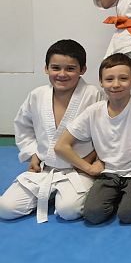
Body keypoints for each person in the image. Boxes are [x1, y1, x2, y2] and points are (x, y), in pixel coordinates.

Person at [54, 53, 131, 224]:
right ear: (101, 82)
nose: (116, 84)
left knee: (128, 215)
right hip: (108, 174)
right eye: (109, 79)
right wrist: (89, 168)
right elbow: (61, 146)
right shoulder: (94, 111)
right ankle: (117, 198)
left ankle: (128, 200)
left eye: (123, 78)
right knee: (93, 215)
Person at [0, 40, 103, 222]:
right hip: (44, 169)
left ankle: (61, 196)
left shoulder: (93, 95)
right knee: (6, 208)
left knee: (68, 211)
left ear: (83, 69)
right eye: (55, 68)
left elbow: (105, 132)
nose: (62, 74)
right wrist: (33, 153)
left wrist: (91, 160)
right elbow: (23, 126)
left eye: (70, 69)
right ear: (46, 68)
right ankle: (52, 193)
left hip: (79, 170)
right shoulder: (37, 95)